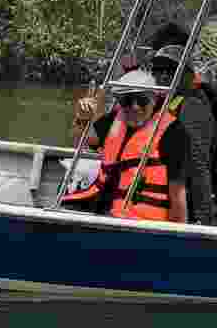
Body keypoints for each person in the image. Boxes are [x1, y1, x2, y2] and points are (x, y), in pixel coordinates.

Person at [61, 70, 191, 222]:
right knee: (63, 208)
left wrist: (177, 234)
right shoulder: (114, 120)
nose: (135, 107)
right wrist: (82, 118)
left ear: (154, 99)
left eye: (142, 101)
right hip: (104, 208)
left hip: (143, 221)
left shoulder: (173, 133)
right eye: (127, 101)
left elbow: (178, 193)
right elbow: (81, 142)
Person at [145, 22, 217, 221]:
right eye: (156, 69)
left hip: (184, 194)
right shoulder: (156, 96)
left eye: (165, 68)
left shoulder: (200, 100)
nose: (159, 74)